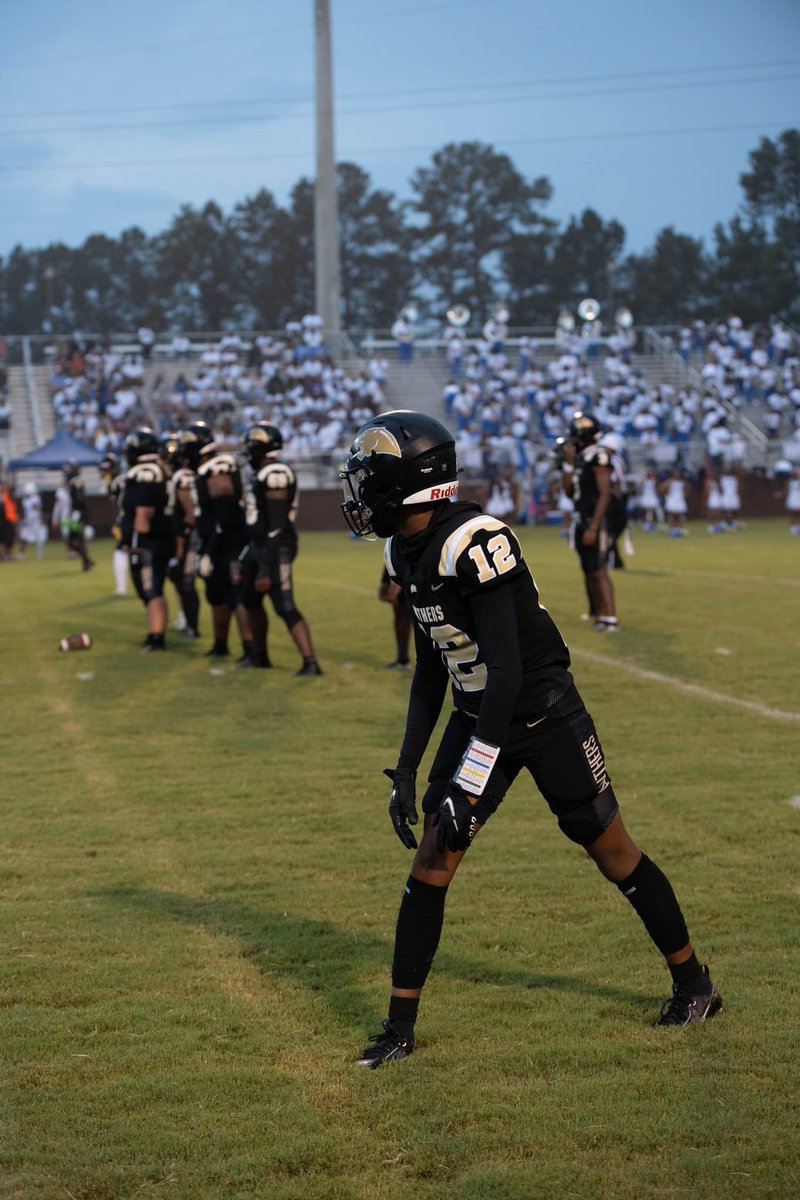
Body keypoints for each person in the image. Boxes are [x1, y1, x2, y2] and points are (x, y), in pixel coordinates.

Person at [339, 410, 721, 1069]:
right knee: (431, 862)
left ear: (412, 480)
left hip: (543, 714)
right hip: (477, 710)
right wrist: (408, 769)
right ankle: (399, 1029)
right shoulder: (402, 549)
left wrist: (469, 776)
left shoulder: (476, 540)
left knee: (613, 852)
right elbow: (435, 666)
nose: (360, 488)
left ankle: (695, 985)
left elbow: (510, 669)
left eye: (372, 476)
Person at [240, 422, 322, 675]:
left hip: (275, 547)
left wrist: (266, 568)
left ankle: (310, 662)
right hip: (258, 545)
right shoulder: (264, 471)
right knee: (250, 601)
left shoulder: (276, 472)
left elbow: (276, 525)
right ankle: (260, 656)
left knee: (284, 605)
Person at [183, 422, 254, 663]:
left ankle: (250, 648)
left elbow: (225, 514)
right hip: (216, 541)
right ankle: (220, 644)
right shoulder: (207, 469)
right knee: (216, 595)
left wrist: (210, 552)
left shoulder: (216, 468)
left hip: (230, 543)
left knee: (236, 596)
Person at [121, 427, 175, 651]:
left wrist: (137, 544)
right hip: (160, 539)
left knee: (151, 589)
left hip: (150, 542)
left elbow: (144, 512)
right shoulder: (159, 469)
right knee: (153, 589)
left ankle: (157, 637)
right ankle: (155, 632)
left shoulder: (144, 472)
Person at [563, 413, 618, 632]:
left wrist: (594, 526)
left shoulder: (599, 456)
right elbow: (569, 492)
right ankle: (600, 615)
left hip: (594, 520)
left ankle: (610, 617)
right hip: (579, 519)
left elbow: (604, 494)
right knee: (588, 569)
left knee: (599, 570)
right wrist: (567, 465)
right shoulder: (579, 458)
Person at [162, 432, 201, 640]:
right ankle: (186, 618)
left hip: (187, 536)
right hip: (182, 535)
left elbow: (190, 514)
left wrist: (181, 540)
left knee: (186, 581)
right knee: (179, 579)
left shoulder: (181, 476)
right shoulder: (178, 476)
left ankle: (192, 626)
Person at [99, 451, 129, 595]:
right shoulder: (118, 481)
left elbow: (125, 502)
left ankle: (122, 587)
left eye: (107, 470)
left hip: (129, 518)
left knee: (121, 551)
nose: (105, 473)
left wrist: (122, 519)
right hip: (128, 517)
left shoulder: (119, 482)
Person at [61, 460, 94, 571]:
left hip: (78, 515)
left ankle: (86, 562)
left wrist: (79, 513)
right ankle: (87, 560)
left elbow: (80, 499)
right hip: (75, 514)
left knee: (76, 538)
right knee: (73, 540)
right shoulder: (72, 481)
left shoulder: (76, 481)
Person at [379, 566, 412, 670]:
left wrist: (399, 584)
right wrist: (385, 581)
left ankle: (433, 664)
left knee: (422, 621)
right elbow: (391, 551)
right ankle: (402, 659)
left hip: (416, 580)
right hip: (402, 577)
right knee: (400, 616)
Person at [17, 482, 47, 559]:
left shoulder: (36, 498)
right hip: (27, 520)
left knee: (39, 536)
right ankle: (21, 553)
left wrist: (34, 518)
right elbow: (25, 510)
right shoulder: (25, 499)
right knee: (23, 536)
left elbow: (36, 509)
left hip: (36, 520)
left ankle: (39, 553)